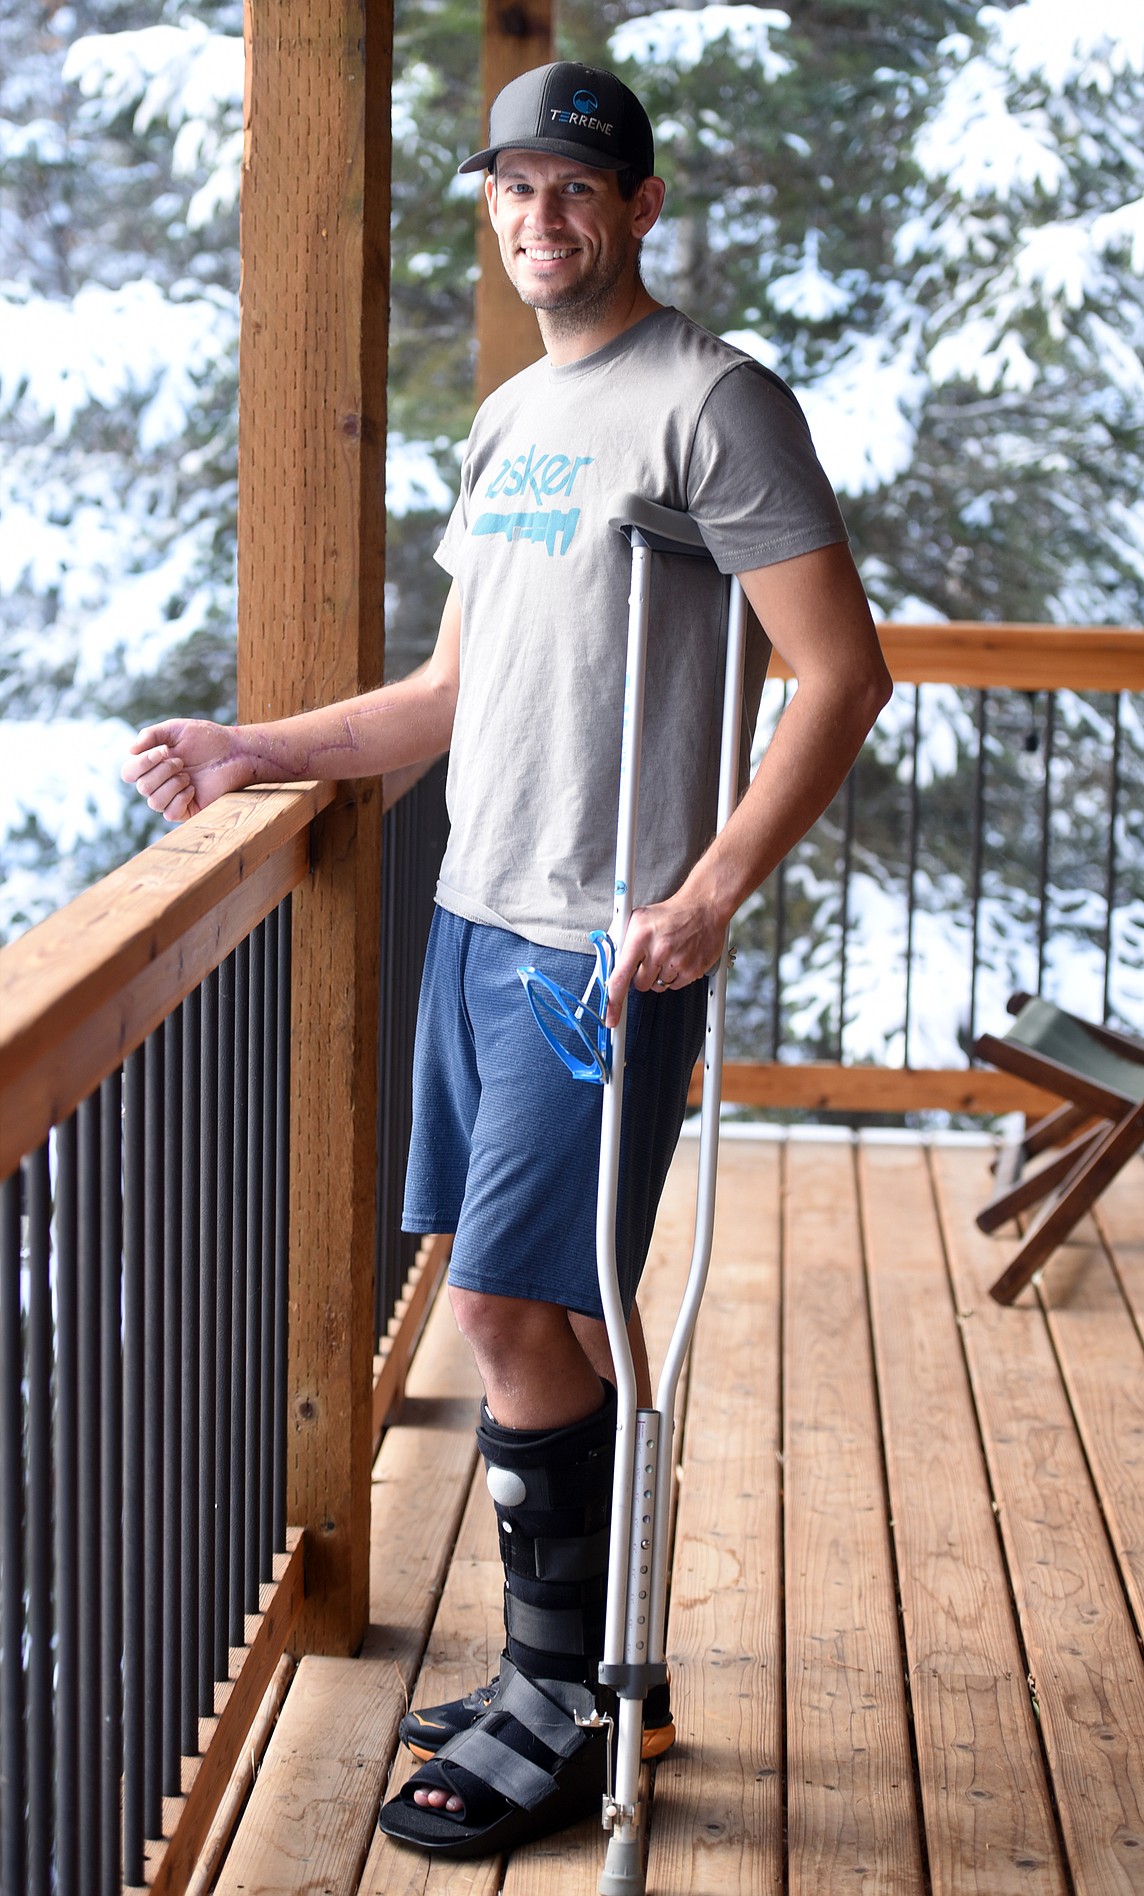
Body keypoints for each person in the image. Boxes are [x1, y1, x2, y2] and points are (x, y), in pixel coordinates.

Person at [123, 59, 891, 1860]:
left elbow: (840, 673)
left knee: (508, 1314)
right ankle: (590, 1659)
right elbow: (448, 695)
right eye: (515, 189)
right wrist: (258, 751)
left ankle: (561, 1690)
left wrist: (706, 894)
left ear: (634, 207)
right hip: (477, 914)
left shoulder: (715, 404)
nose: (542, 218)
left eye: (576, 188)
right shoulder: (514, 417)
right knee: (512, 1294)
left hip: (599, 940)